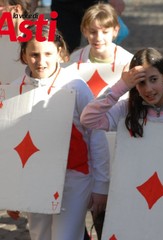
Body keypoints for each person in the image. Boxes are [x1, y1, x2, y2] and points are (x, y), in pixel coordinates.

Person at [80, 47, 163, 228]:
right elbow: (88, 119)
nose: (148, 89)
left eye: (153, 80)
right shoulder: (125, 110)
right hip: (134, 201)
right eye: (141, 83)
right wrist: (121, 85)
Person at [6, 24, 110, 240]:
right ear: (24, 55)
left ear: (60, 54)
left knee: (66, 236)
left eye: (47, 54)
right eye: (34, 54)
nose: (40, 61)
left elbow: (96, 135)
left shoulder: (75, 86)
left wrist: (101, 184)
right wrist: (10, 192)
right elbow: (8, 141)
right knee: (40, 235)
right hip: (33, 175)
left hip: (74, 175)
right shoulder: (13, 90)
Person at [64, 3, 132, 239]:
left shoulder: (128, 63)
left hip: (115, 148)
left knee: (106, 215)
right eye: (92, 31)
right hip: (80, 149)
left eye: (104, 31)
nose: (98, 37)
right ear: (84, 31)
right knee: (72, 212)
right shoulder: (73, 62)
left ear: (115, 31)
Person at [50, 0, 125, 53]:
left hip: (94, 2)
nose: (98, 37)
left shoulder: (125, 58)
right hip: (63, 4)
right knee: (63, 45)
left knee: (103, 42)